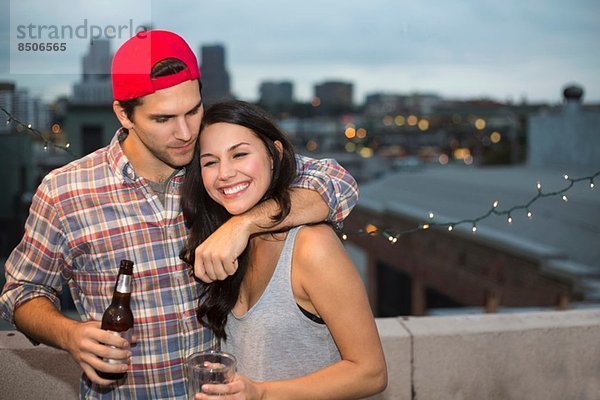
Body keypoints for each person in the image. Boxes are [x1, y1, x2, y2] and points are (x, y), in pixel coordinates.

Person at [0, 30, 359, 399]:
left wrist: (243, 223)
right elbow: (21, 291)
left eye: (193, 110)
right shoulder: (65, 191)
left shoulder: (218, 166)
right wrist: (71, 335)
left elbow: (337, 183)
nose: (186, 133)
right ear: (124, 113)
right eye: (164, 119)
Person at [180, 100, 387, 400]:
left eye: (239, 154)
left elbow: (371, 372)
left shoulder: (311, 246)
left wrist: (261, 393)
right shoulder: (227, 243)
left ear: (274, 155)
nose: (224, 173)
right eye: (210, 162)